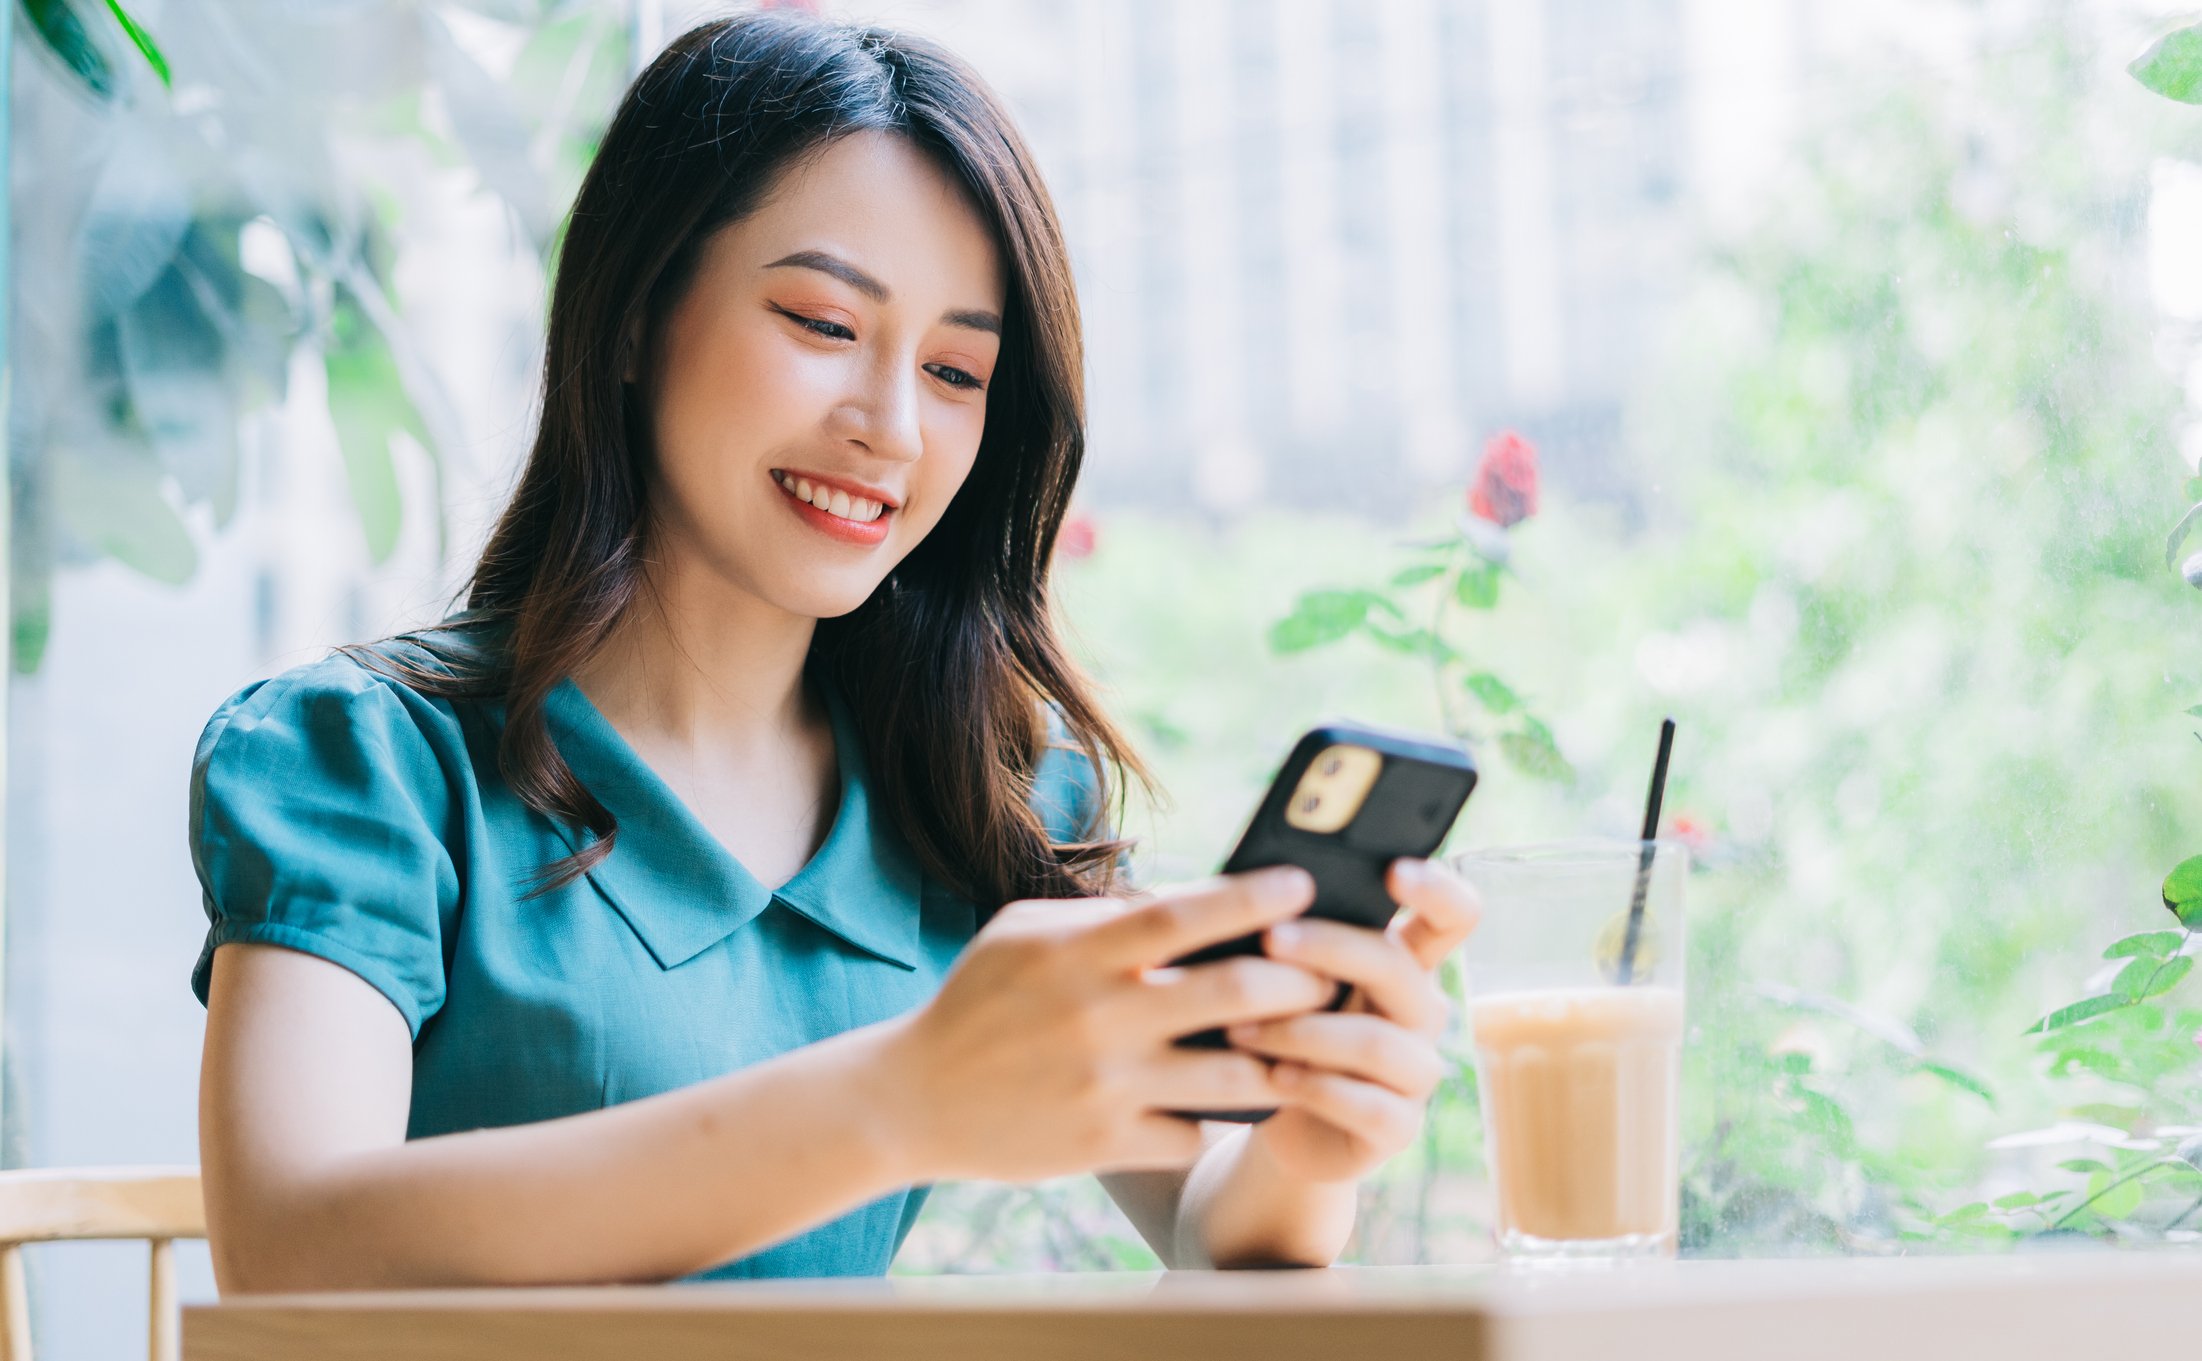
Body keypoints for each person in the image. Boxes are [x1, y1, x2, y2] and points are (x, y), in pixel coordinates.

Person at [189, 11, 1479, 1290]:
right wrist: (900, 1100)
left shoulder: (981, 798)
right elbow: (291, 1243)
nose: (892, 428)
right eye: (820, 323)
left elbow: (1212, 1232)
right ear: (636, 316)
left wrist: (1313, 1144)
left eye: (958, 373)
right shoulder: (370, 763)